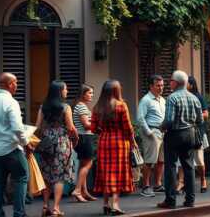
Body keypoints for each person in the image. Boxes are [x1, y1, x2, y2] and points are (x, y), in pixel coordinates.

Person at [0, 73, 30, 217]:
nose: (17, 85)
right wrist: (26, 143)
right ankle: (19, 213)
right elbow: (17, 128)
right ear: (9, 84)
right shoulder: (11, 102)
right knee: (22, 178)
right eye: (15, 82)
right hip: (11, 149)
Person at [157, 70, 203, 210]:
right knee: (189, 166)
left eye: (171, 80)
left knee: (171, 167)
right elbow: (200, 119)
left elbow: (169, 120)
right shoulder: (194, 98)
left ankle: (170, 200)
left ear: (175, 83)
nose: (169, 82)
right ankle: (190, 200)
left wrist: (161, 127)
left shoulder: (172, 98)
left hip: (175, 134)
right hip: (190, 134)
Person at [91, 79, 137, 215]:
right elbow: (128, 128)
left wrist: (103, 132)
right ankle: (115, 204)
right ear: (117, 91)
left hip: (104, 142)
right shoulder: (121, 106)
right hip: (120, 143)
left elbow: (93, 128)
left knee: (106, 173)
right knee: (117, 173)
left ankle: (105, 204)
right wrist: (133, 141)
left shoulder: (97, 107)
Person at [36, 80, 78, 217]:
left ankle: (44, 206)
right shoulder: (65, 107)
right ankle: (56, 208)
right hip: (62, 142)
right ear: (60, 91)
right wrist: (76, 137)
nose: (67, 91)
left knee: (47, 176)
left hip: (46, 142)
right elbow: (71, 128)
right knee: (59, 177)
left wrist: (43, 137)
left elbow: (37, 126)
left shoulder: (43, 107)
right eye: (65, 89)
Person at [136, 75, 166, 198]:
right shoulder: (146, 100)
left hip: (162, 132)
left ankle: (157, 184)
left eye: (162, 85)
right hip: (152, 131)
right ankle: (146, 186)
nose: (161, 88)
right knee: (149, 161)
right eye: (158, 85)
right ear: (151, 86)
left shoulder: (162, 100)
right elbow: (140, 118)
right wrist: (149, 133)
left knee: (161, 160)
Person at [71, 84, 97, 202]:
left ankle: (84, 192)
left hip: (83, 137)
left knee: (83, 165)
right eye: (89, 93)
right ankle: (77, 190)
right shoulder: (81, 107)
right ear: (83, 94)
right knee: (88, 164)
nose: (92, 95)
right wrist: (97, 124)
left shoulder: (81, 106)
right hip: (85, 137)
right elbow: (86, 125)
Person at [187, 76, 209, 192]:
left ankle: (203, 180)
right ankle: (184, 183)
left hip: (197, 132)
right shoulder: (183, 97)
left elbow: (206, 114)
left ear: (191, 84)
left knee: (199, 159)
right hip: (185, 132)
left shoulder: (198, 97)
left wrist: (194, 116)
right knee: (184, 160)